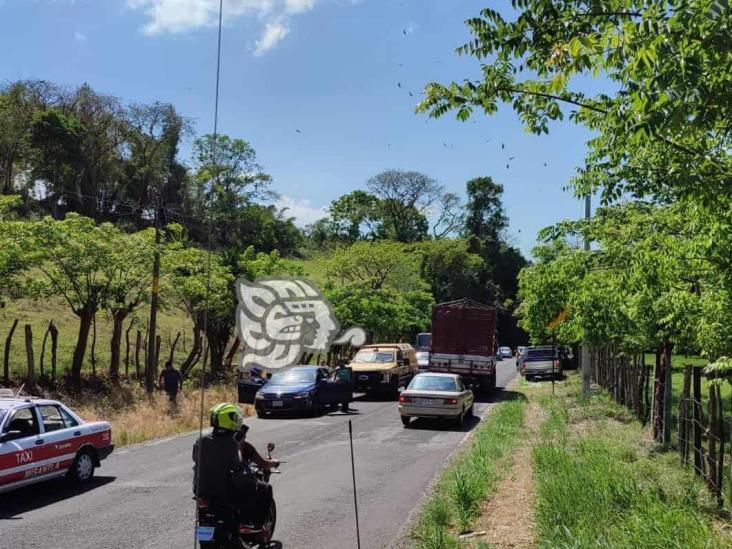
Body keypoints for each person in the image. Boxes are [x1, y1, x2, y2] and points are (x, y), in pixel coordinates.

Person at [192, 403, 278, 526]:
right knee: (264, 488)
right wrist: (273, 462)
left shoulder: (201, 440)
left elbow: (195, 458)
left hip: (202, 491)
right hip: (227, 491)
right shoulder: (237, 442)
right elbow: (244, 464)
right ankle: (256, 525)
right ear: (230, 419)